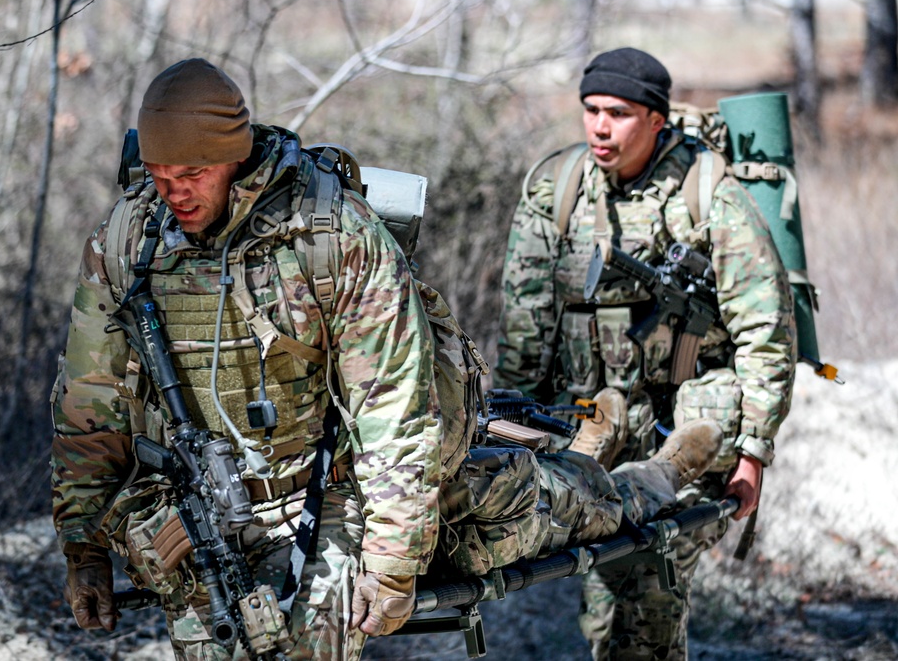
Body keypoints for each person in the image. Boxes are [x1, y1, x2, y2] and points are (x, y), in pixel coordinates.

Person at [50, 57, 728, 661]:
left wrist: (394, 563)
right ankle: (576, 450)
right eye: (161, 175)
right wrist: (82, 550)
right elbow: (88, 405)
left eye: (193, 173)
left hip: (339, 484)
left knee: (536, 512)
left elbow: (395, 411)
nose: (175, 193)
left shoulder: (331, 235)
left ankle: (645, 477)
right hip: (206, 501)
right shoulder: (131, 238)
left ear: (235, 155)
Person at [494, 47, 797, 659]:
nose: (600, 127)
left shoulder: (708, 194)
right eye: (591, 110)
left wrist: (754, 451)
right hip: (585, 427)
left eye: (621, 113)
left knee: (649, 585)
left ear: (657, 120)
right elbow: (524, 330)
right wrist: (506, 437)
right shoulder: (556, 191)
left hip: (688, 436)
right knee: (605, 601)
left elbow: (765, 327)